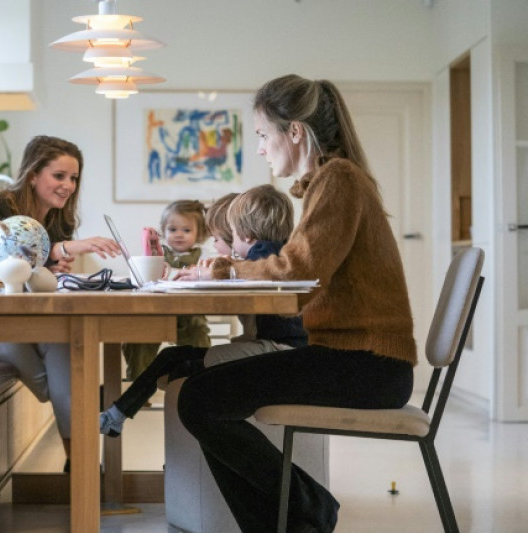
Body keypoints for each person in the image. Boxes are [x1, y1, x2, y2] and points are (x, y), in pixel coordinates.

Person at [171, 75, 416, 533]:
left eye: (264, 135)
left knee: (200, 399)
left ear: (296, 131)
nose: (261, 148)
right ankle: (297, 519)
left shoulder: (338, 179)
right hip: (361, 361)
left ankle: (310, 509)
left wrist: (221, 271)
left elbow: (296, 272)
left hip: (368, 366)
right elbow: (298, 272)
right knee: (202, 397)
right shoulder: (333, 180)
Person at [0, 135, 121, 471]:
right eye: (59, 176)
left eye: (73, 178)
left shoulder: (58, 220)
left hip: (15, 321)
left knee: (63, 341)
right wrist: (62, 250)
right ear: (33, 174)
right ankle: (75, 403)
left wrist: (51, 267)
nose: (68, 186)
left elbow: (37, 275)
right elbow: (1, 264)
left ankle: (81, 464)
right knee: (12, 338)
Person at [101, 185, 307, 437]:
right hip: (272, 347)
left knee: (179, 368)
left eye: (232, 232)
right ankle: (116, 415)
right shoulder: (270, 251)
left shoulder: (266, 251)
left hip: (278, 351)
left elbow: (251, 270)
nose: (227, 242)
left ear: (246, 235)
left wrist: (215, 272)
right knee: (171, 356)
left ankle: (121, 415)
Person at [121, 200, 212, 381]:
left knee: (197, 336)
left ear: (199, 233)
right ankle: (138, 380)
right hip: (157, 310)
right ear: (163, 230)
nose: (179, 235)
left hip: (190, 311)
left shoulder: (204, 256)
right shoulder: (157, 254)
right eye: (172, 229)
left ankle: (197, 379)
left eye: (186, 230)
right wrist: (150, 256)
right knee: (139, 338)